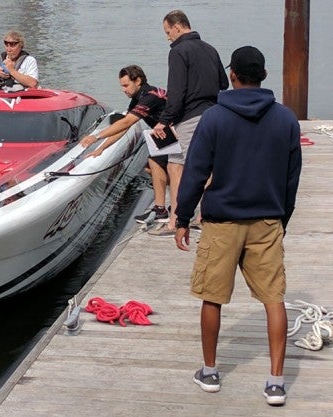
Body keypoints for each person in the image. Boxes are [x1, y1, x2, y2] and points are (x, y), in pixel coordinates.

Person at [173, 46, 302, 406]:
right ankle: (276, 383)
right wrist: (282, 218)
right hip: (267, 220)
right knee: (274, 299)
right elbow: (292, 179)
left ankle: (211, 373)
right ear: (263, 75)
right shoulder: (286, 119)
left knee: (212, 297)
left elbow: (196, 173)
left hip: (222, 221)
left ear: (232, 74)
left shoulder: (213, 118)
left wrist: (182, 217)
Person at [150, 10, 228, 236]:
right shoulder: (210, 49)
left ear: (177, 27)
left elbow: (177, 92)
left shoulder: (178, 52)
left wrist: (164, 121)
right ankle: (203, 216)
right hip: (214, 115)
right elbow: (223, 84)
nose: (167, 38)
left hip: (190, 116)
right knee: (208, 166)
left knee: (176, 165)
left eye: (167, 32)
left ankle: (174, 221)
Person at [80, 65, 169, 223]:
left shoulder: (149, 96)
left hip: (180, 131)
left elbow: (127, 122)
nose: (123, 90)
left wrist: (96, 137)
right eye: (121, 86)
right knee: (152, 165)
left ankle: (164, 208)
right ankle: (165, 206)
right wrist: (101, 149)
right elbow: (125, 126)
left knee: (157, 164)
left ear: (138, 81)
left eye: (126, 85)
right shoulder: (138, 98)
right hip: (166, 133)